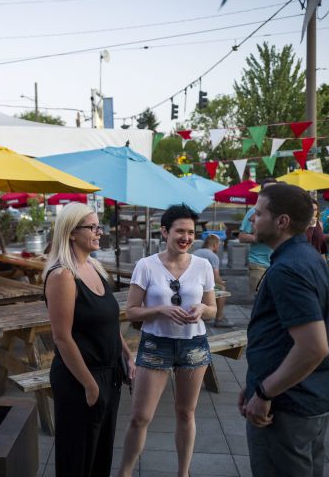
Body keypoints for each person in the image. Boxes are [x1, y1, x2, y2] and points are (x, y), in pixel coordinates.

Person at [238, 184, 329, 477]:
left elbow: (314, 347)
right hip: (306, 397)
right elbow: (282, 338)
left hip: (287, 407)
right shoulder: (311, 259)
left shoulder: (289, 269)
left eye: (258, 213)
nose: (252, 220)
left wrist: (266, 392)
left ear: (282, 221)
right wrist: (257, 381)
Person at [118, 204, 217, 477]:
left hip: (193, 346)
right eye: (180, 231)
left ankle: (183, 473)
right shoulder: (146, 266)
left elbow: (212, 309)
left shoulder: (203, 265)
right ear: (165, 232)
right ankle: (123, 473)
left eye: (190, 232)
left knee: (186, 413)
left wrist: (201, 310)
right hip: (155, 344)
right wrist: (160, 309)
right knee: (140, 417)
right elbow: (131, 311)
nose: (186, 237)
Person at [43, 202, 135, 477]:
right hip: (80, 380)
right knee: (77, 459)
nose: (99, 232)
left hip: (110, 375)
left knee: (100, 456)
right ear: (71, 232)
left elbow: (108, 320)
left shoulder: (94, 267)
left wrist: (127, 356)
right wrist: (91, 385)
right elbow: (62, 338)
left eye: (99, 226)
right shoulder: (63, 276)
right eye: (92, 227)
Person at [239, 178, 277, 293]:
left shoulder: (284, 212)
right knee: (259, 304)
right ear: (262, 194)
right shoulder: (253, 212)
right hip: (259, 264)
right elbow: (241, 237)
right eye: (267, 190)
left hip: (280, 264)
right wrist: (257, 238)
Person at [194, 233, 233, 328]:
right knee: (222, 289)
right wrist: (222, 282)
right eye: (220, 245)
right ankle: (219, 318)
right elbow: (216, 278)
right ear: (215, 245)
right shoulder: (213, 256)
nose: (219, 247)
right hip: (202, 285)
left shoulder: (196, 252)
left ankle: (207, 314)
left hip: (192, 283)